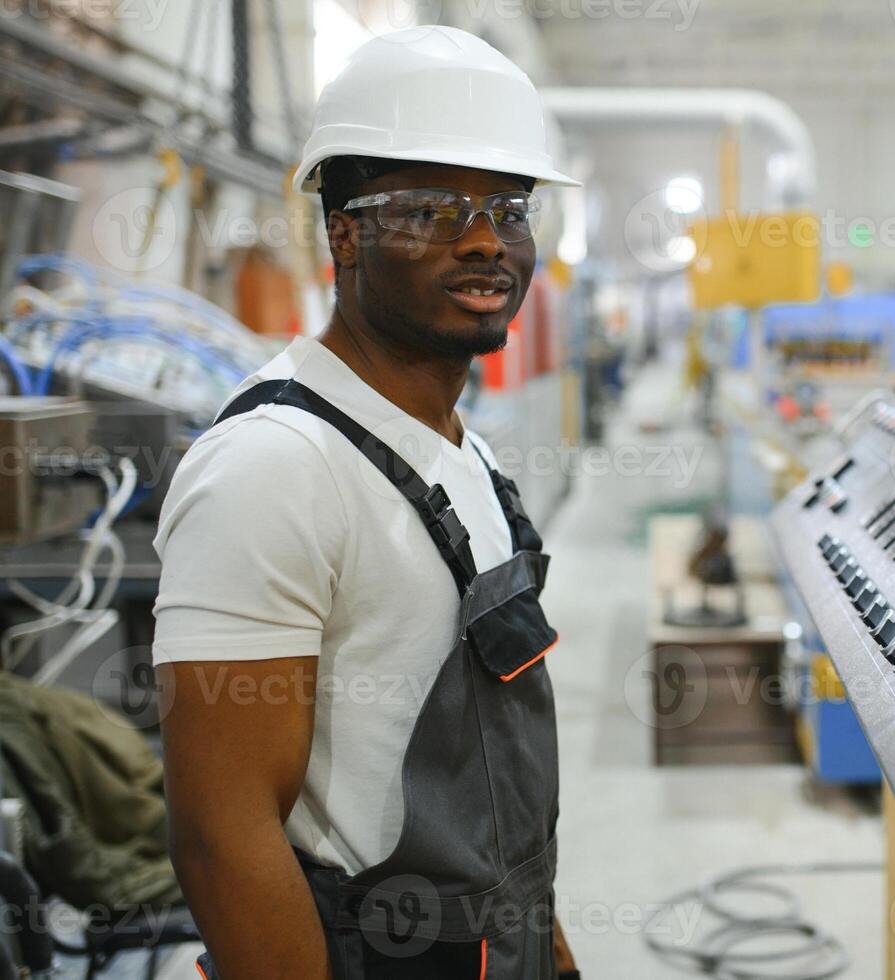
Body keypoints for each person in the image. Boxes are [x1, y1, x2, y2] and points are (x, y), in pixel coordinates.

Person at [151, 26, 580, 979]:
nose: (483, 240)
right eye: (429, 209)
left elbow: (499, 806)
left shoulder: (465, 455)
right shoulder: (273, 468)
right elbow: (222, 839)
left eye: (507, 208)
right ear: (343, 232)